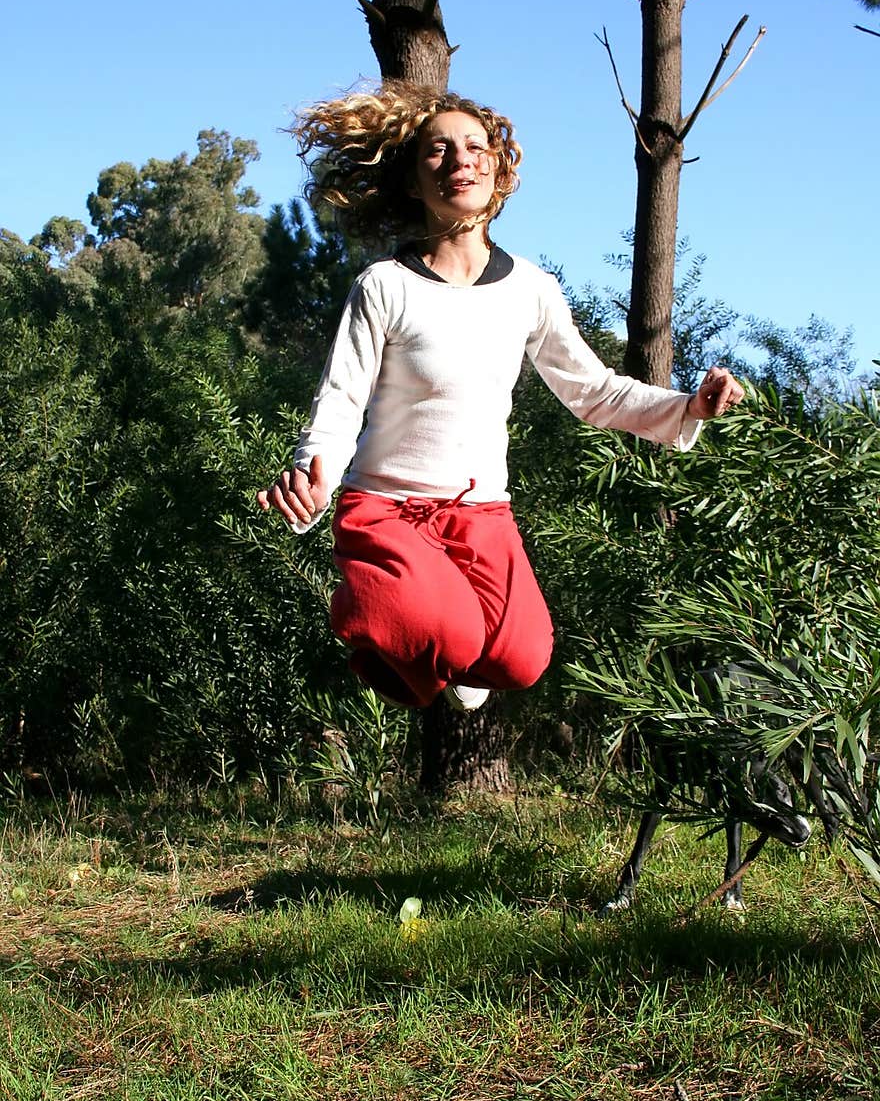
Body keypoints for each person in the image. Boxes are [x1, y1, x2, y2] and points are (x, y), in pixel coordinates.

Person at [257, 80, 744, 713]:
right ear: (413, 181)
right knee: (449, 634)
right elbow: (342, 400)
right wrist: (313, 479)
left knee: (523, 658)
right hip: (389, 508)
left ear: (498, 167)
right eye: (438, 151)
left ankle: (433, 638)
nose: (460, 160)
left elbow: (592, 391)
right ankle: (374, 614)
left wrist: (688, 408)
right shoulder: (384, 286)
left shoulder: (530, 290)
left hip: (482, 512)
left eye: (474, 145)